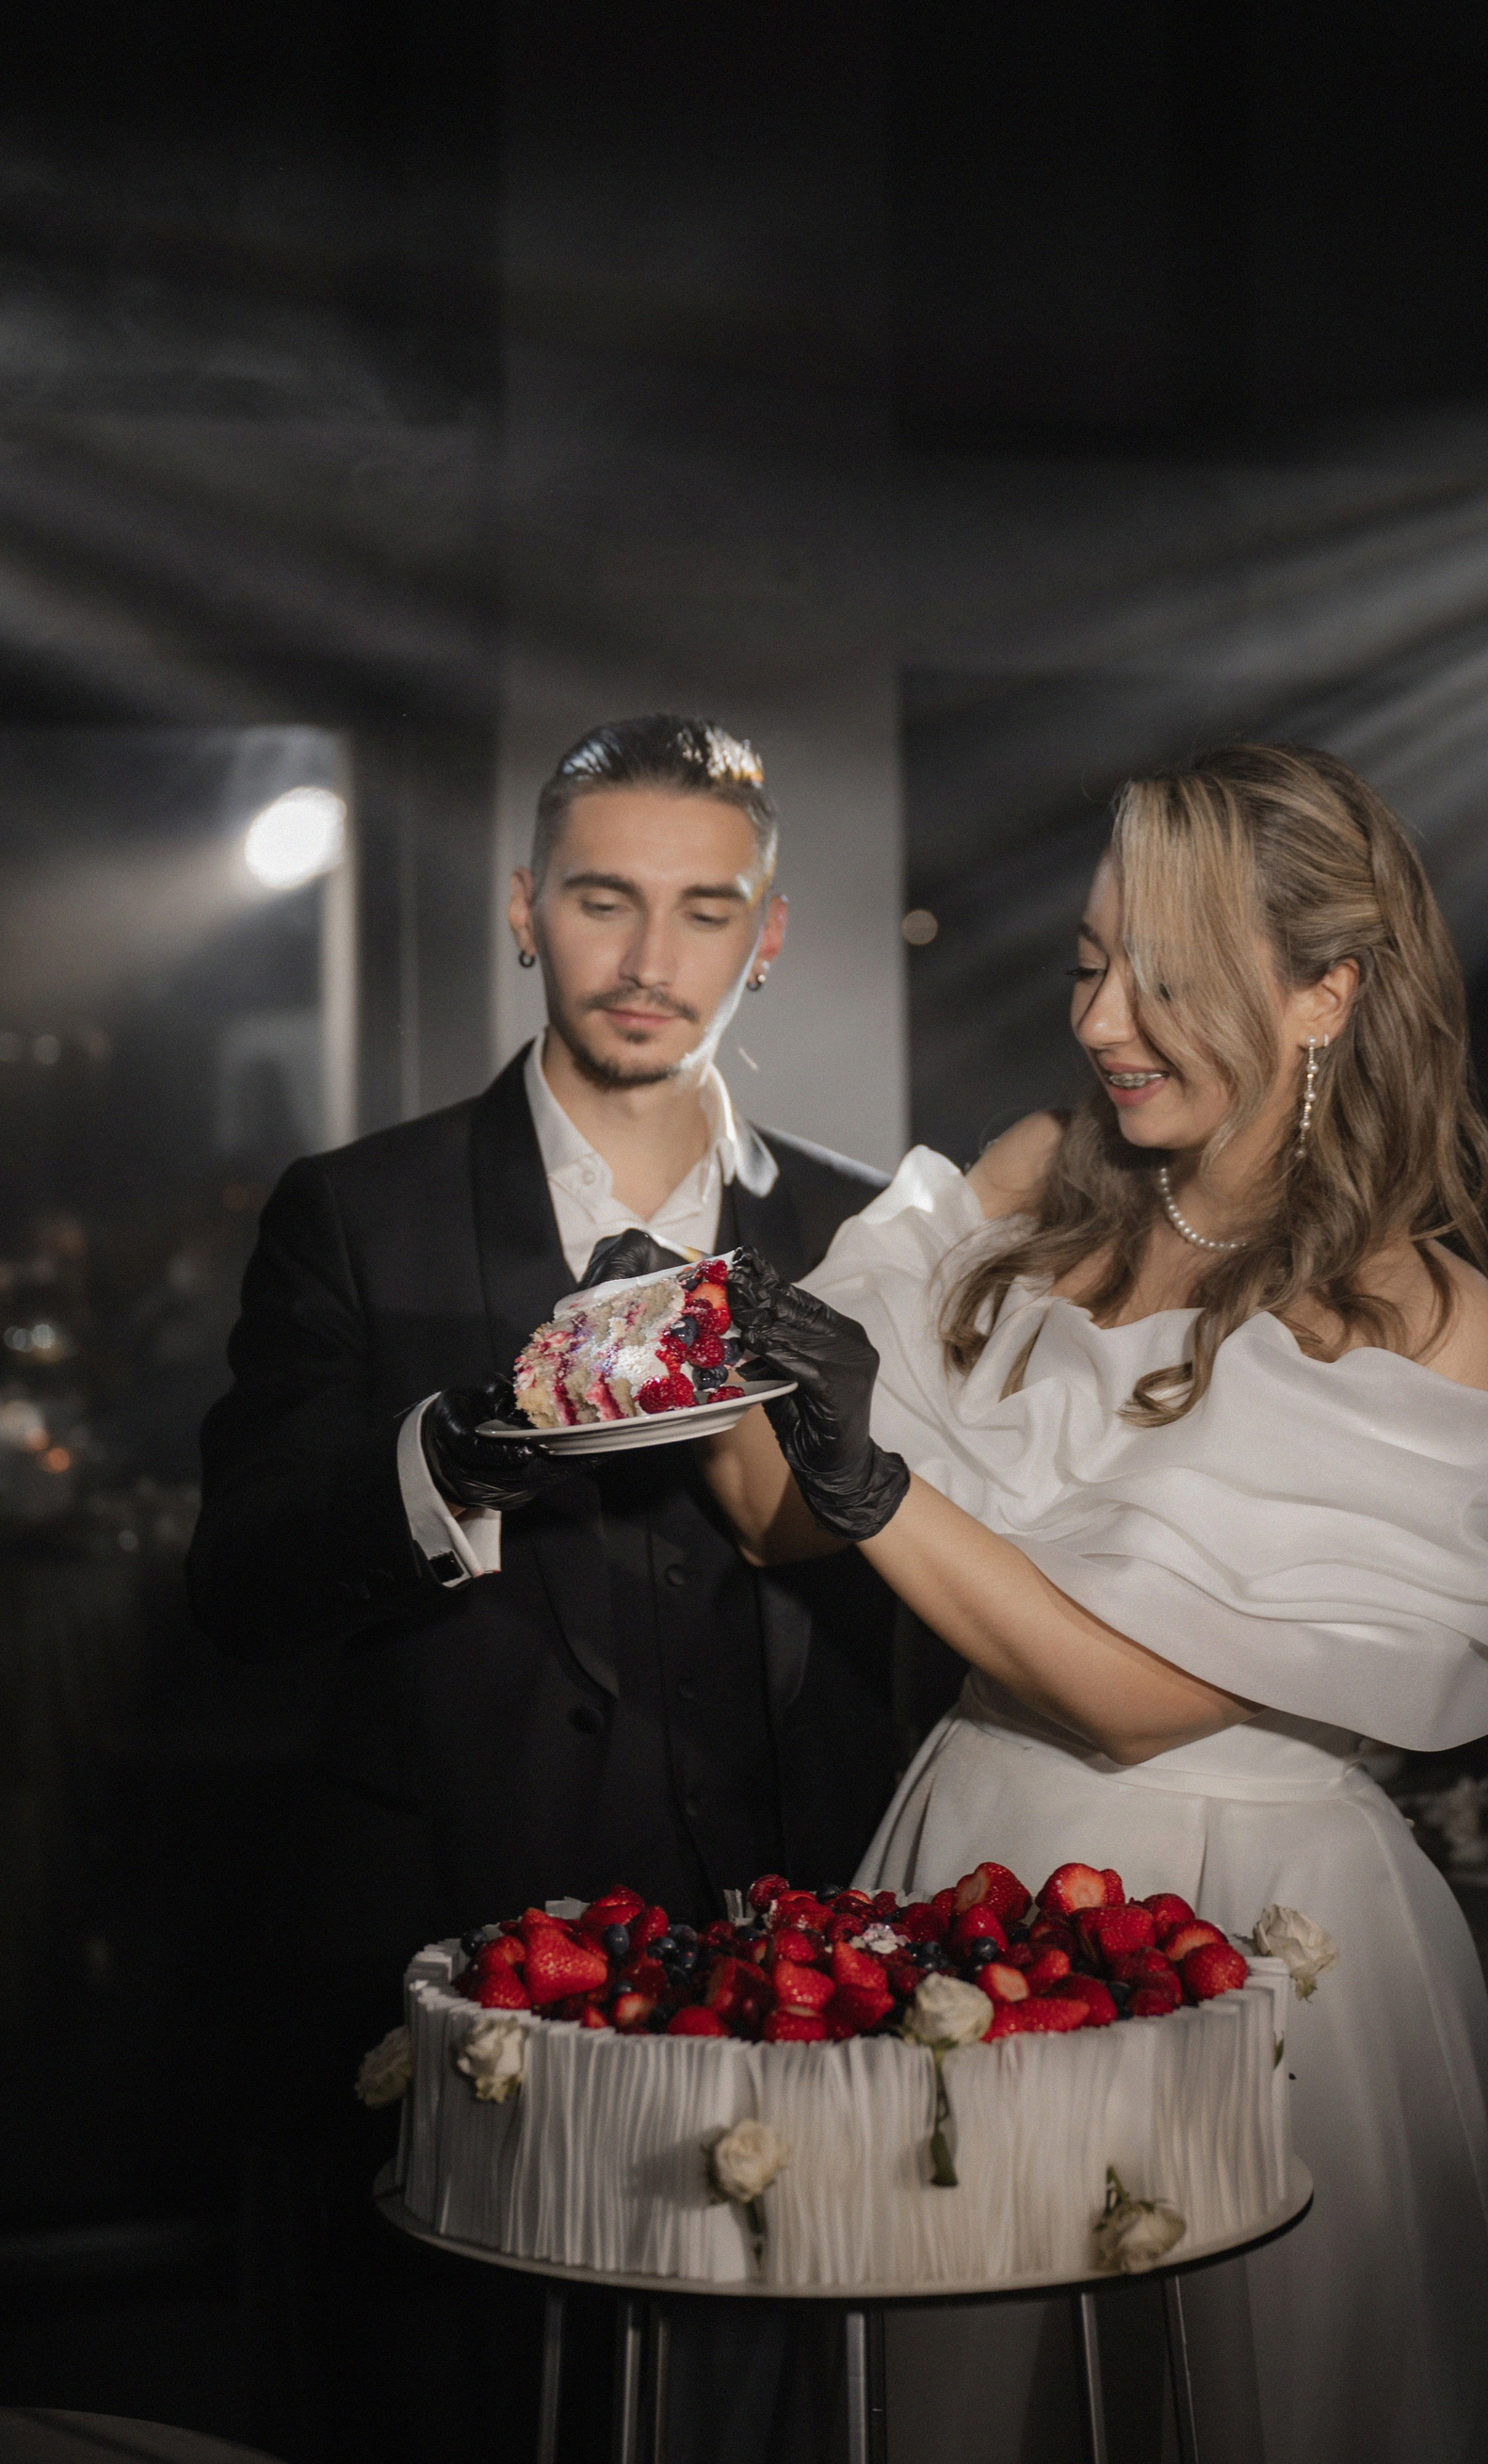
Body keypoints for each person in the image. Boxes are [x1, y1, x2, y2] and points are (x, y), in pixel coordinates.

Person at [709, 744, 1488, 2464]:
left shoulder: (1416, 1313)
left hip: (1253, 1929)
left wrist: (876, 1479)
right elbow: (758, 1509)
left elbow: (1136, 1699)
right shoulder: (1042, 1180)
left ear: (1329, 991)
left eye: (1167, 979)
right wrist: (715, 1337)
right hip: (970, 1862)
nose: (1103, 1020)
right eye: (1090, 963)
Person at [189, 713, 898, 2463]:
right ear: (525, 909)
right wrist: (452, 1451)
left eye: (705, 910)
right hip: (448, 1944)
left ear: (767, 935)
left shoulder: (866, 1231)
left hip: (793, 1976)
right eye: (602, 899)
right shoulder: (357, 1211)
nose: (652, 958)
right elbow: (239, 1583)